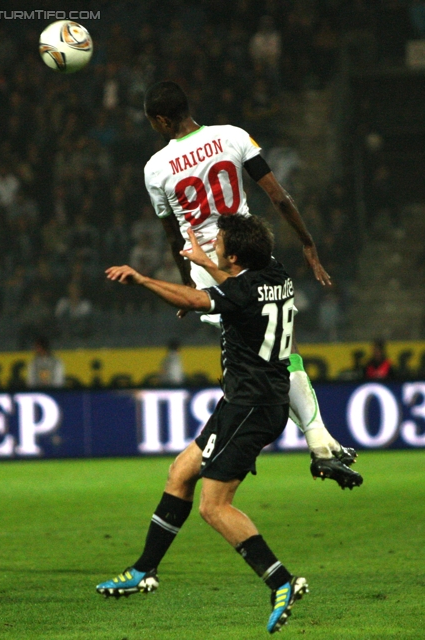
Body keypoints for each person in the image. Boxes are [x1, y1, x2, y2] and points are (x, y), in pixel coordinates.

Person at [100, 215, 313, 633]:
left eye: (218, 242)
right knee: (181, 471)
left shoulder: (238, 292)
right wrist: (208, 262)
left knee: (213, 506)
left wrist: (143, 281)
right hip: (250, 401)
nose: (212, 243)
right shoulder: (277, 272)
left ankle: (281, 581)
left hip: (250, 406)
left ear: (234, 256)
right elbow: (241, 285)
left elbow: (198, 301)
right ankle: (145, 569)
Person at [142, 80, 357, 480]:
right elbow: (279, 197)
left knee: (263, 358)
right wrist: (308, 244)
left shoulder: (155, 169)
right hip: (253, 258)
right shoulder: (232, 136)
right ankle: (318, 441)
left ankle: (285, 439)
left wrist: (188, 286)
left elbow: (173, 237)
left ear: (160, 120)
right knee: (280, 353)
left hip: (209, 270)